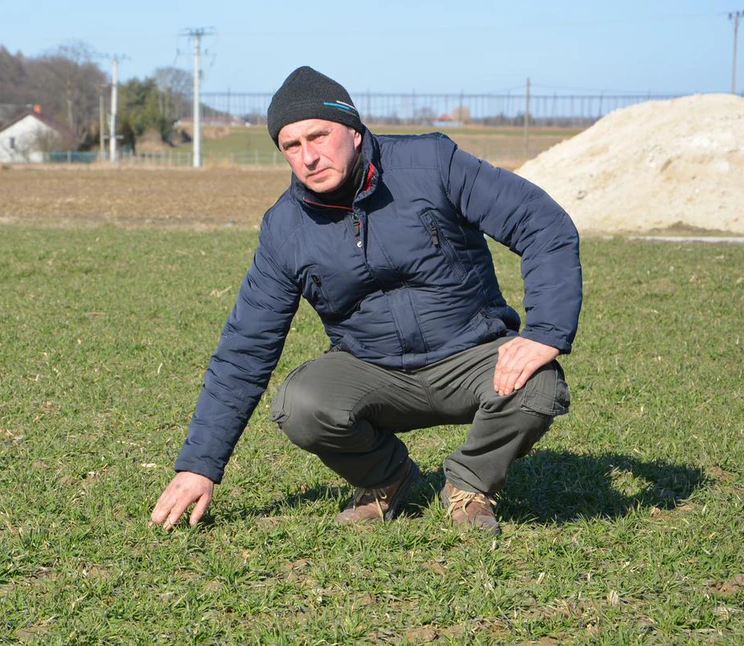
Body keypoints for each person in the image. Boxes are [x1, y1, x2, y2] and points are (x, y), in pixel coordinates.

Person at [150, 66, 581, 535]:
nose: (309, 157)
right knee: (301, 403)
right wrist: (200, 464)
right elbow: (245, 347)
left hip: (469, 355)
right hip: (374, 369)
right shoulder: (284, 230)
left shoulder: (432, 164)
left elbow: (542, 224)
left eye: (319, 136)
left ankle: (470, 486)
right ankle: (387, 480)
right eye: (291, 146)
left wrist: (544, 332)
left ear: (354, 132)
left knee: (538, 386)